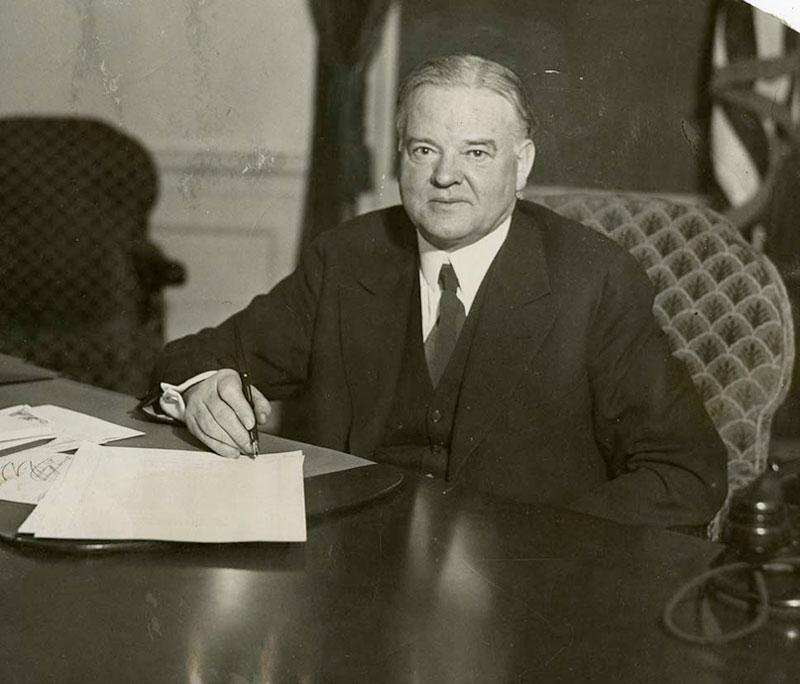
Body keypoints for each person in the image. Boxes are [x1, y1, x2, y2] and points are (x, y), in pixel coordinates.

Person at [148, 54, 728, 528]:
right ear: (401, 156)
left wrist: (534, 547)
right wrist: (203, 390)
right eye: (424, 149)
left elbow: (685, 473)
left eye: (476, 152)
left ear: (521, 165)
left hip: (519, 593)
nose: (445, 176)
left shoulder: (594, 282)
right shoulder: (347, 258)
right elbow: (193, 358)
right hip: (351, 567)